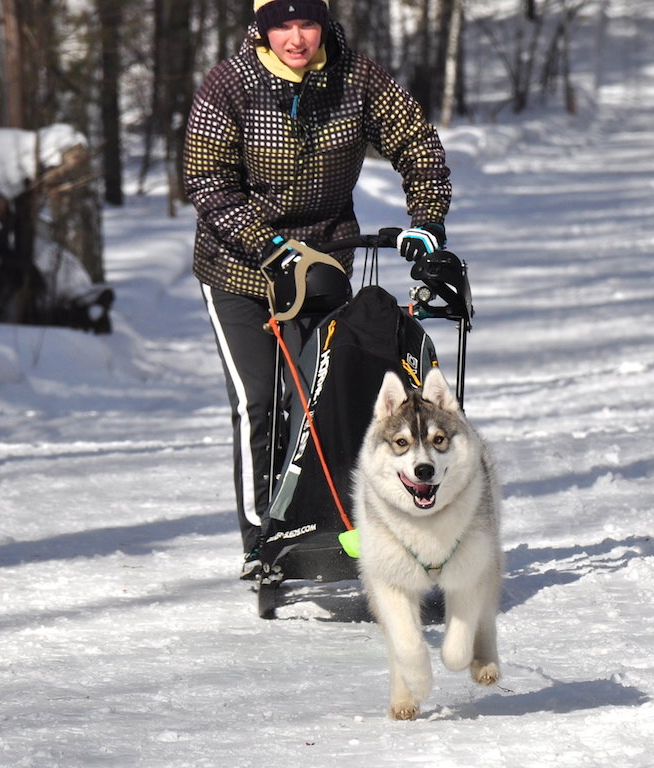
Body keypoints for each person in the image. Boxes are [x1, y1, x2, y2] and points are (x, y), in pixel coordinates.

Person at [183, 0, 452, 580]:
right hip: (238, 269)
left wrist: (426, 224)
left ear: (325, 24)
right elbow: (207, 179)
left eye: (307, 23)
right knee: (261, 402)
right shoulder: (231, 83)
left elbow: (418, 147)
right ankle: (262, 541)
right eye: (282, 24)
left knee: (320, 401)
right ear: (262, 28)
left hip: (324, 264)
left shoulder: (357, 78)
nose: (296, 38)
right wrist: (268, 247)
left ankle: (335, 527)